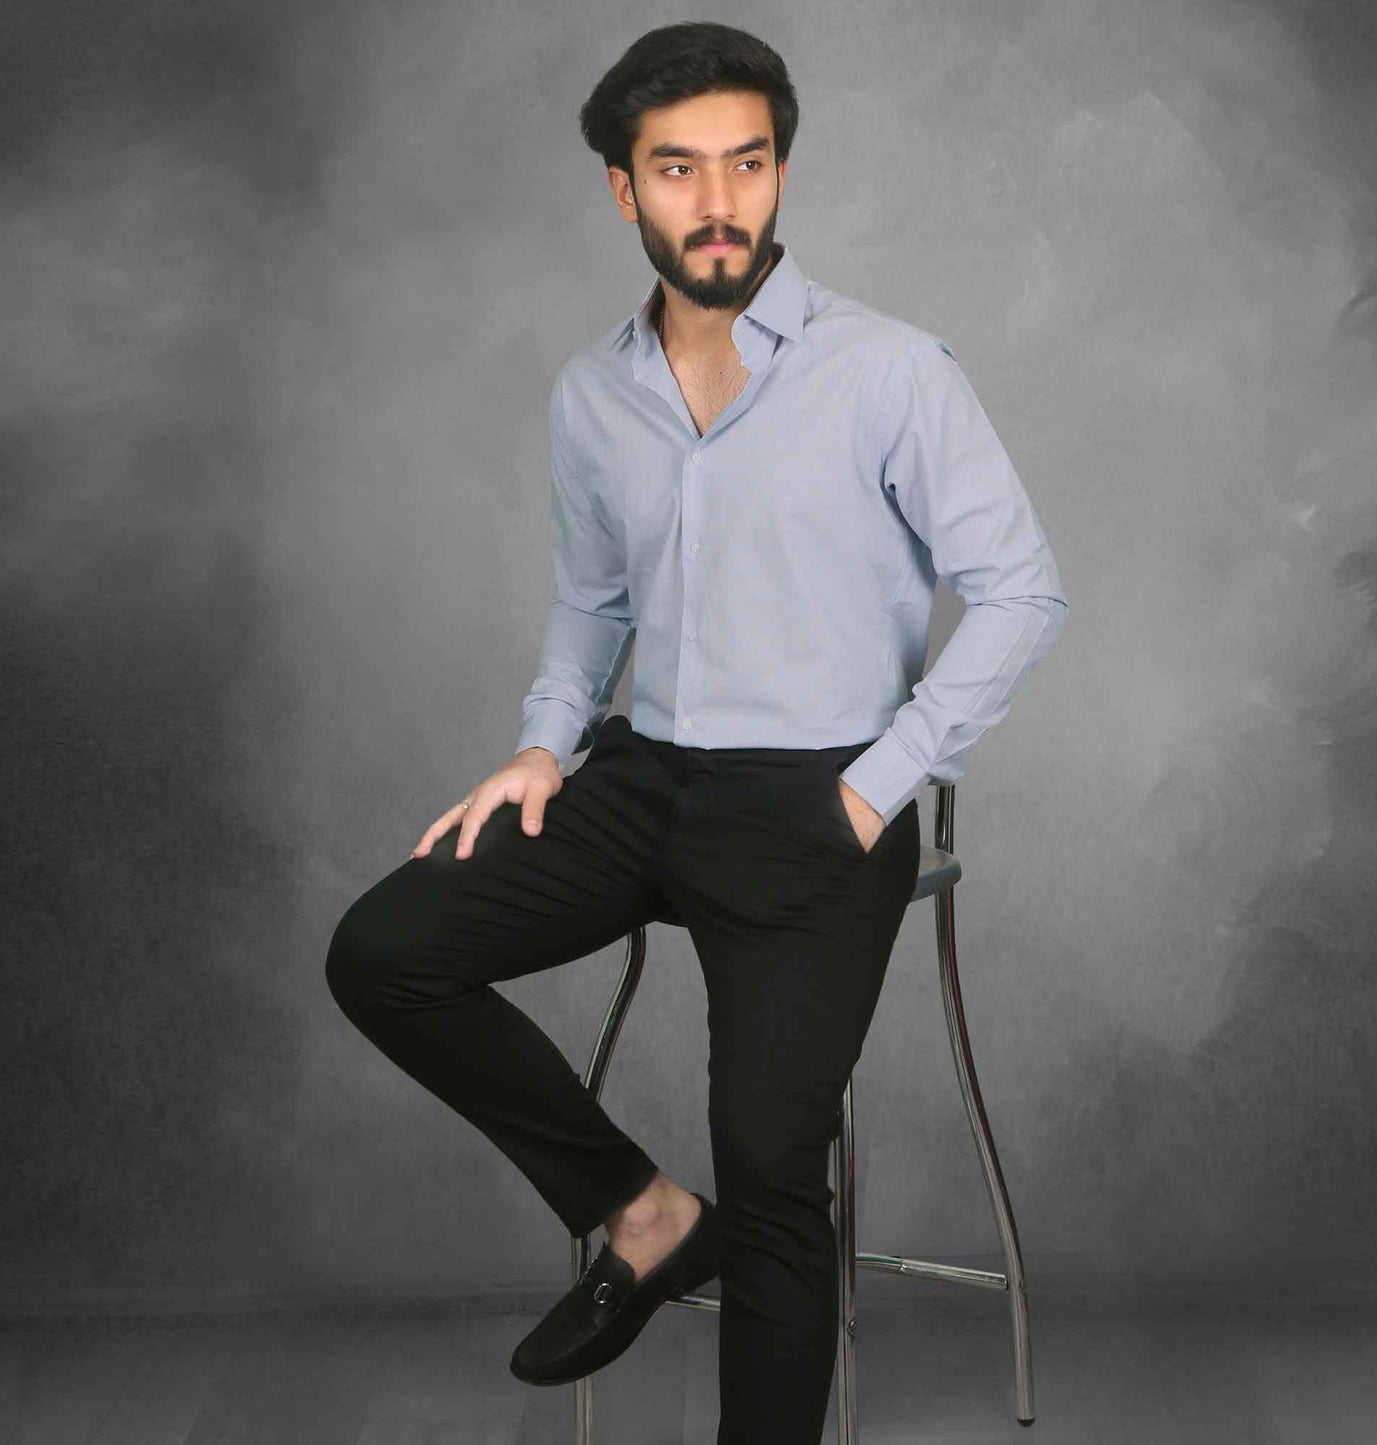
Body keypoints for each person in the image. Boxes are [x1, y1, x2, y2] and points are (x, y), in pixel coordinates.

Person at [325, 20, 1068, 1444]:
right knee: (383, 953)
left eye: (748, 162)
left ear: (781, 171)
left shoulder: (890, 369)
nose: (719, 201)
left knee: (775, 1167)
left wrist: (879, 786)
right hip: (639, 779)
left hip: (819, 802)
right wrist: (543, 743)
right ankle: (648, 1214)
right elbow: (591, 601)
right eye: (678, 169)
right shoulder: (589, 392)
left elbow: (1022, 589)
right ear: (624, 188)